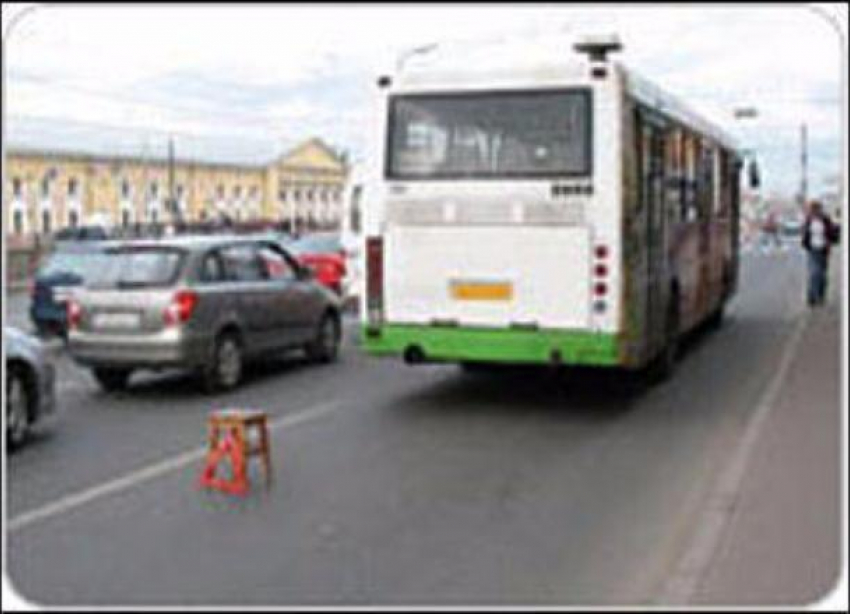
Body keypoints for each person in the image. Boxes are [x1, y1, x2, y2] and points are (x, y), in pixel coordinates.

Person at [801, 200, 839, 306]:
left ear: (819, 209)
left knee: (822, 275)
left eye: (816, 209)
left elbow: (832, 233)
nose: (814, 211)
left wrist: (830, 240)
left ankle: (821, 296)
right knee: (814, 273)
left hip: (823, 250)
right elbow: (805, 233)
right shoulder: (809, 220)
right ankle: (812, 297)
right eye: (812, 209)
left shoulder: (826, 220)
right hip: (812, 250)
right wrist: (805, 242)